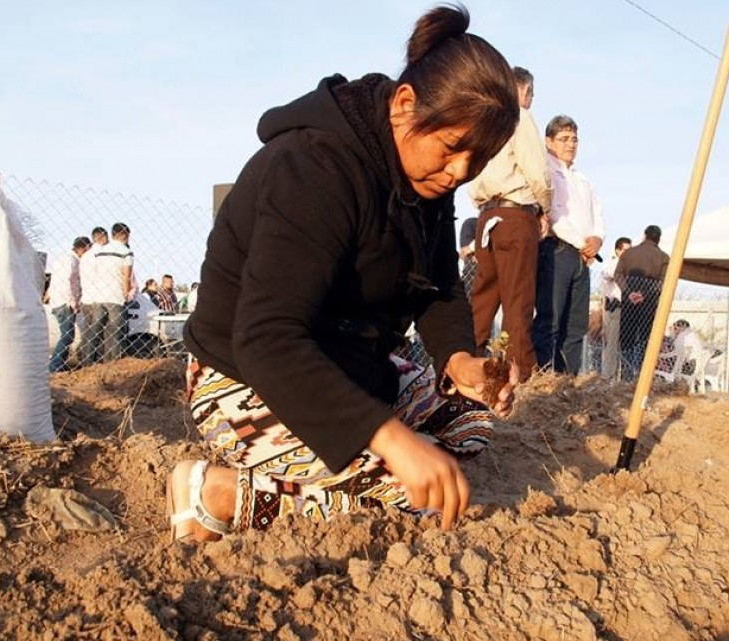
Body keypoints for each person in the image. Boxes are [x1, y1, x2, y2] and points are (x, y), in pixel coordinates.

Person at [171, 6, 519, 541]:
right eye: (453, 150)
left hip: (353, 365)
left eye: (478, 160)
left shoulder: (426, 180)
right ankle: (216, 493)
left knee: (469, 428)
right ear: (405, 105)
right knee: (416, 501)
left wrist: (461, 360)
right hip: (248, 375)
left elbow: (440, 288)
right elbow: (267, 340)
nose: (460, 173)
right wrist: (390, 438)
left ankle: (333, 464)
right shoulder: (314, 168)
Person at [467, 66, 551, 381]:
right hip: (516, 214)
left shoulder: (482, 119)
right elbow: (537, 171)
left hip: (486, 215)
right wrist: (546, 208)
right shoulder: (520, 116)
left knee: (483, 298)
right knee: (518, 299)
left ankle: (467, 366)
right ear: (525, 91)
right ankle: (521, 373)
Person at [534, 115, 605, 376]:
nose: (571, 144)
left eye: (574, 139)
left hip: (582, 258)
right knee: (550, 320)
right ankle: (543, 377)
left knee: (576, 326)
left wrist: (597, 239)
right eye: (563, 139)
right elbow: (553, 213)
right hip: (557, 250)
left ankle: (568, 380)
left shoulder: (582, 180)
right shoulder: (545, 172)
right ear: (548, 141)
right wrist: (582, 243)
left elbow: (598, 214)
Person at [614, 225, 668, 380]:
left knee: (626, 340)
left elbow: (618, 274)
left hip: (628, 303)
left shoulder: (629, 253)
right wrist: (645, 294)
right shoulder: (663, 257)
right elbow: (664, 283)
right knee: (645, 340)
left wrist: (629, 292)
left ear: (645, 235)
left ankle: (625, 375)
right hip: (649, 305)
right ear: (659, 238)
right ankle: (642, 376)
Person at [82, 222, 134, 363]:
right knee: (115, 333)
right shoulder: (125, 252)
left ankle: (87, 363)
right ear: (125, 235)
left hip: (98, 296)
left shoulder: (100, 252)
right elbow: (126, 276)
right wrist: (126, 294)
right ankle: (112, 364)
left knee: (95, 332)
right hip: (115, 297)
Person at [46, 236, 92, 372]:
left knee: (67, 335)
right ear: (84, 248)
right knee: (67, 335)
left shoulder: (62, 258)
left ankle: (58, 364)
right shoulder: (72, 261)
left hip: (58, 300)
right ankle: (54, 366)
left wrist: (48, 294)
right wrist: (73, 302)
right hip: (65, 302)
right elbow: (69, 281)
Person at [599, 236, 632, 379]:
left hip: (628, 308)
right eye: (625, 250)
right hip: (615, 306)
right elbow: (607, 275)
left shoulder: (630, 264)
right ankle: (608, 376)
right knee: (612, 343)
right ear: (617, 251)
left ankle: (622, 376)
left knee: (624, 344)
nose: (628, 253)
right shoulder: (614, 263)